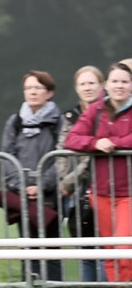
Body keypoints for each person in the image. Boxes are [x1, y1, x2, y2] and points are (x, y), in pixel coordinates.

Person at [65, 62, 132, 283]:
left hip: (128, 193)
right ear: (107, 85)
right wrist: (96, 143)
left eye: (124, 81)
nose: (119, 86)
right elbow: (71, 138)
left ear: (131, 85)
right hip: (100, 192)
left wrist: (113, 143)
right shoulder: (96, 110)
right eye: (115, 81)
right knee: (109, 252)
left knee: (124, 248)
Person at [0, 70, 63, 281]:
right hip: (23, 198)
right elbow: (7, 156)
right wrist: (21, 186)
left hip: (51, 197)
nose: (32, 92)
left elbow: (61, 159)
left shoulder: (59, 122)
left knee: (51, 251)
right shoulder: (15, 122)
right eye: (28, 88)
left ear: (50, 92)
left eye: (37, 88)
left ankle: (54, 284)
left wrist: (42, 185)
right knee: (28, 248)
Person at [57, 65, 106, 282]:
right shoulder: (70, 115)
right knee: (85, 252)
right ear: (76, 88)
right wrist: (62, 179)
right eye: (82, 84)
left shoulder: (109, 113)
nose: (87, 88)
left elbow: (91, 156)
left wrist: (69, 180)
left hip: (104, 188)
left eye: (91, 83)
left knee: (106, 251)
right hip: (76, 193)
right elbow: (61, 150)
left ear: (102, 86)